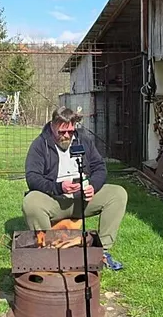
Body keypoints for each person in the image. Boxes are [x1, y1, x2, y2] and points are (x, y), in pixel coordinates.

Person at [23, 107, 128, 270]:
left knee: (118, 193)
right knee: (31, 202)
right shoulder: (40, 145)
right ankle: (48, 251)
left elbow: (100, 167)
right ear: (52, 125)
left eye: (70, 131)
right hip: (55, 200)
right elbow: (32, 177)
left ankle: (102, 251)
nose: (66, 136)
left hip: (82, 199)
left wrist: (92, 186)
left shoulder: (84, 141)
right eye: (62, 132)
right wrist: (59, 187)